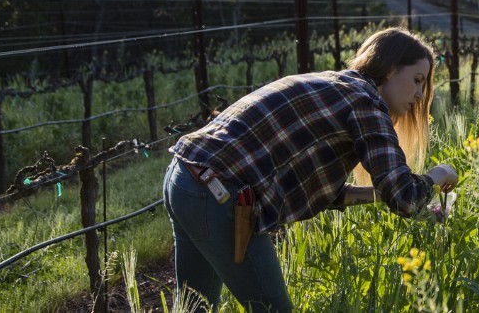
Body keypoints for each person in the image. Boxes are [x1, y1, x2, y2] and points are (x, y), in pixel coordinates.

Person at [162, 27, 458, 312]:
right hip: (218, 195)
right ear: (391, 68)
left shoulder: (337, 84)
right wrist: (439, 174)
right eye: (418, 79)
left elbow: (330, 193)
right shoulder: (366, 102)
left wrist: (380, 195)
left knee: (192, 306)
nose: (420, 95)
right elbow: (405, 197)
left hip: (184, 178)